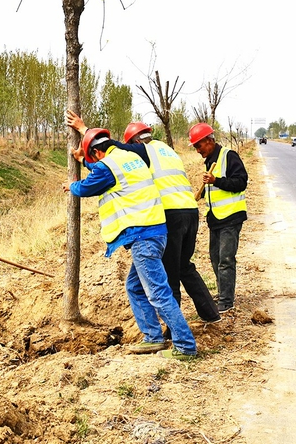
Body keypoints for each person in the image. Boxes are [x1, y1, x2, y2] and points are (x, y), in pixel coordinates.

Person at [67, 111, 221, 324]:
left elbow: (112, 152)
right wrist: (86, 162)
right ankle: (211, 314)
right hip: (190, 211)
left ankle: (173, 331)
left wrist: (84, 130)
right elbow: (112, 166)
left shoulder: (143, 150)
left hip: (170, 215)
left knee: (168, 273)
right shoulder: (166, 150)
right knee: (184, 265)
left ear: (135, 142)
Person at [64, 126, 198, 360]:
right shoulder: (130, 158)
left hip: (142, 237)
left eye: (91, 158)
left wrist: (71, 186)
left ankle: (186, 346)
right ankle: (153, 338)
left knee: (158, 293)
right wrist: (85, 162)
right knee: (135, 287)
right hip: (156, 233)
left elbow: (87, 186)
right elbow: (102, 169)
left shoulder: (108, 167)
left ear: (96, 153)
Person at [188, 122, 248, 314]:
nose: (197, 150)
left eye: (199, 145)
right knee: (215, 259)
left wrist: (217, 181)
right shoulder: (209, 160)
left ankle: (226, 300)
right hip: (215, 219)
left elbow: (241, 182)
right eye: (195, 147)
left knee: (225, 260)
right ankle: (223, 293)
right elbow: (214, 191)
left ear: (209, 141)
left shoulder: (229, 156)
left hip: (230, 217)